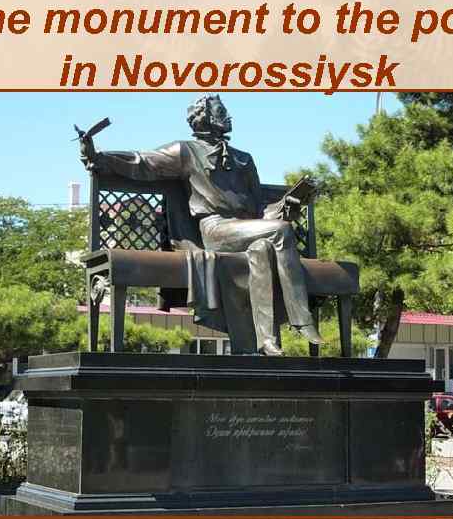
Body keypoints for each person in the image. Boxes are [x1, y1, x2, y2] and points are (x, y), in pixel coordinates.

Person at [79, 94, 322, 356]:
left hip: (248, 229)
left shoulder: (245, 159)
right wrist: (97, 156)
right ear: (204, 118)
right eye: (221, 111)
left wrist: (287, 206)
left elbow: (259, 208)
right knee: (281, 231)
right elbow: (142, 162)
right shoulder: (186, 151)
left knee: (263, 248)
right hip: (215, 230)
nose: (227, 116)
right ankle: (302, 319)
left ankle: (266, 341)